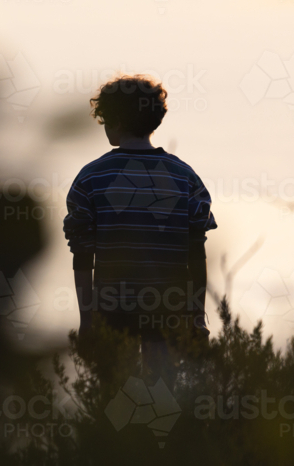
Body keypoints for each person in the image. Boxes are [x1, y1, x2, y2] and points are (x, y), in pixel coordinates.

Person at [63, 74, 217, 374]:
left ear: (115, 121)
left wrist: (87, 321)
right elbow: (196, 253)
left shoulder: (91, 178)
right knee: (164, 404)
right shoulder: (184, 177)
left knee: (116, 407)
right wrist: (197, 316)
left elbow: (82, 255)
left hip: (112, 311)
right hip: (170, 311)